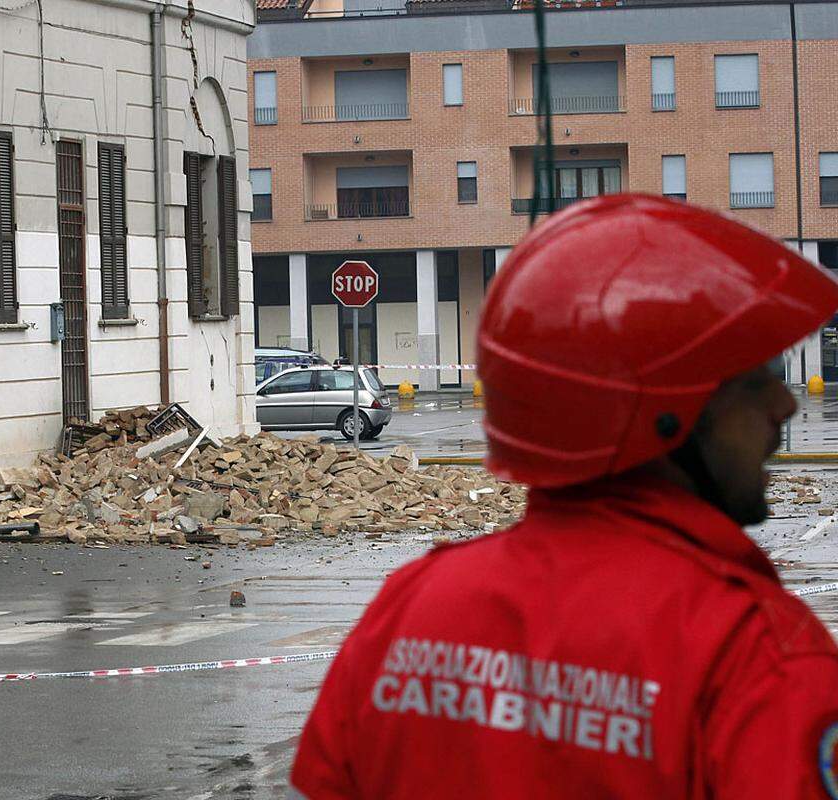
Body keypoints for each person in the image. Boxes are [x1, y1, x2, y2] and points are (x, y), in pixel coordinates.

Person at [290, 193, 838, 799]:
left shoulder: (408, 612)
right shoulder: (754, 657)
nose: (784, 405)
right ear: (661, 416)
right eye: (756, 380)